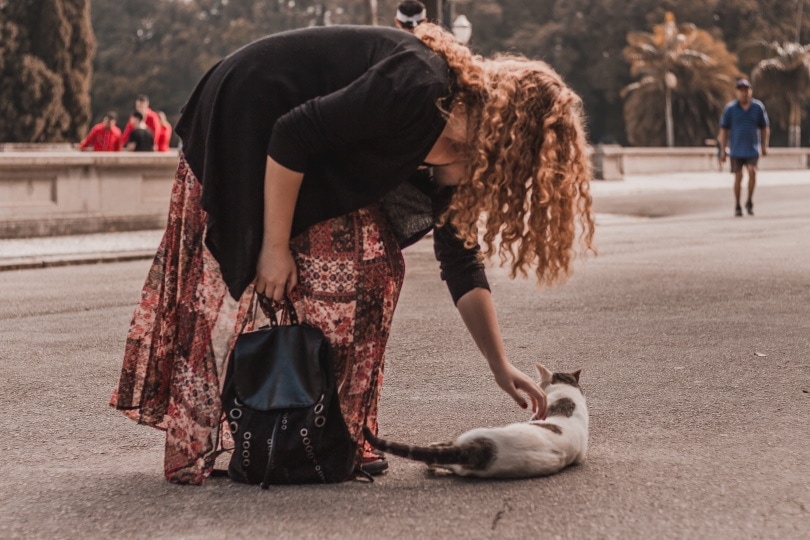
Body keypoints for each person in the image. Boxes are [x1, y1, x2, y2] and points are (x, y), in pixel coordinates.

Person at [110, 24, 594, 485]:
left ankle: (328, 437)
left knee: (377, 267)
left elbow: (460, 258)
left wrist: (498, 364)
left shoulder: (460, 152)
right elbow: (292, 134)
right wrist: (274, 248)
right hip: (247, 111)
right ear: (510, 140)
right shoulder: (420, 89)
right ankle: (303, 433)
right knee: (356, 270)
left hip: (298, 146)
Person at [718, 78, 769, 216]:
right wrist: (722, 150)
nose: (744, 93)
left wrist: (764, 145)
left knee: (752, 172)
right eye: (741, 91)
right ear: (737, 92)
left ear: (750, 91)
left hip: (752, 148)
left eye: (746, 90)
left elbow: (764, 127)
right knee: (738, 176)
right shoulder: (730, 109)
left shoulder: (758, 107)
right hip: (736, 149)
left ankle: (750, 200)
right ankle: (737, 205)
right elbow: (723, 131)